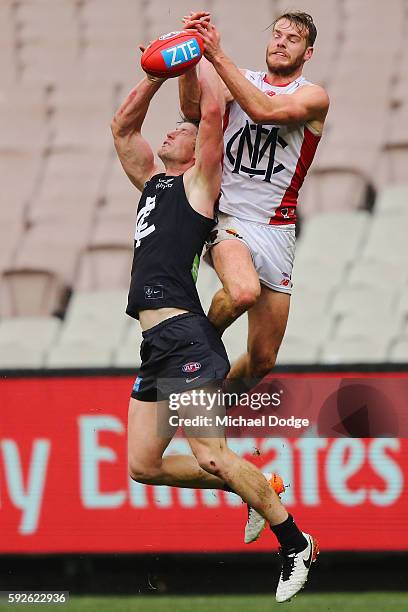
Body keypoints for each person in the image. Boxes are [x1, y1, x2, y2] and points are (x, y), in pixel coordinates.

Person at [111, 56, 317, 603]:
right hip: (156, 345)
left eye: (178, 129)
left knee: (210, 454)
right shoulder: (150, 184)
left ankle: (294, 541)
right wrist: (154, 75)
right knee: (143, 465)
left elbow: (210, 115)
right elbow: (123, 128)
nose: (170, 130)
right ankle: (262, 486)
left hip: (185, 341)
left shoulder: (200, 185)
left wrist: (195, 54)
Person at [179, 9, 328, 594]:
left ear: (307, 52)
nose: (283, 42)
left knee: (262, 362)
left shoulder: (313, 96)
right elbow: (195, 109)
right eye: (278, 33)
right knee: (236, 292)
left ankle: (241, 464)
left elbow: (266, 112)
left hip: (279, 232)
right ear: (268, 40)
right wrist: (189, 58)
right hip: (232, 220)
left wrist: (213, 58)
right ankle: (193, 363)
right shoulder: (233, 73)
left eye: (295, 38)